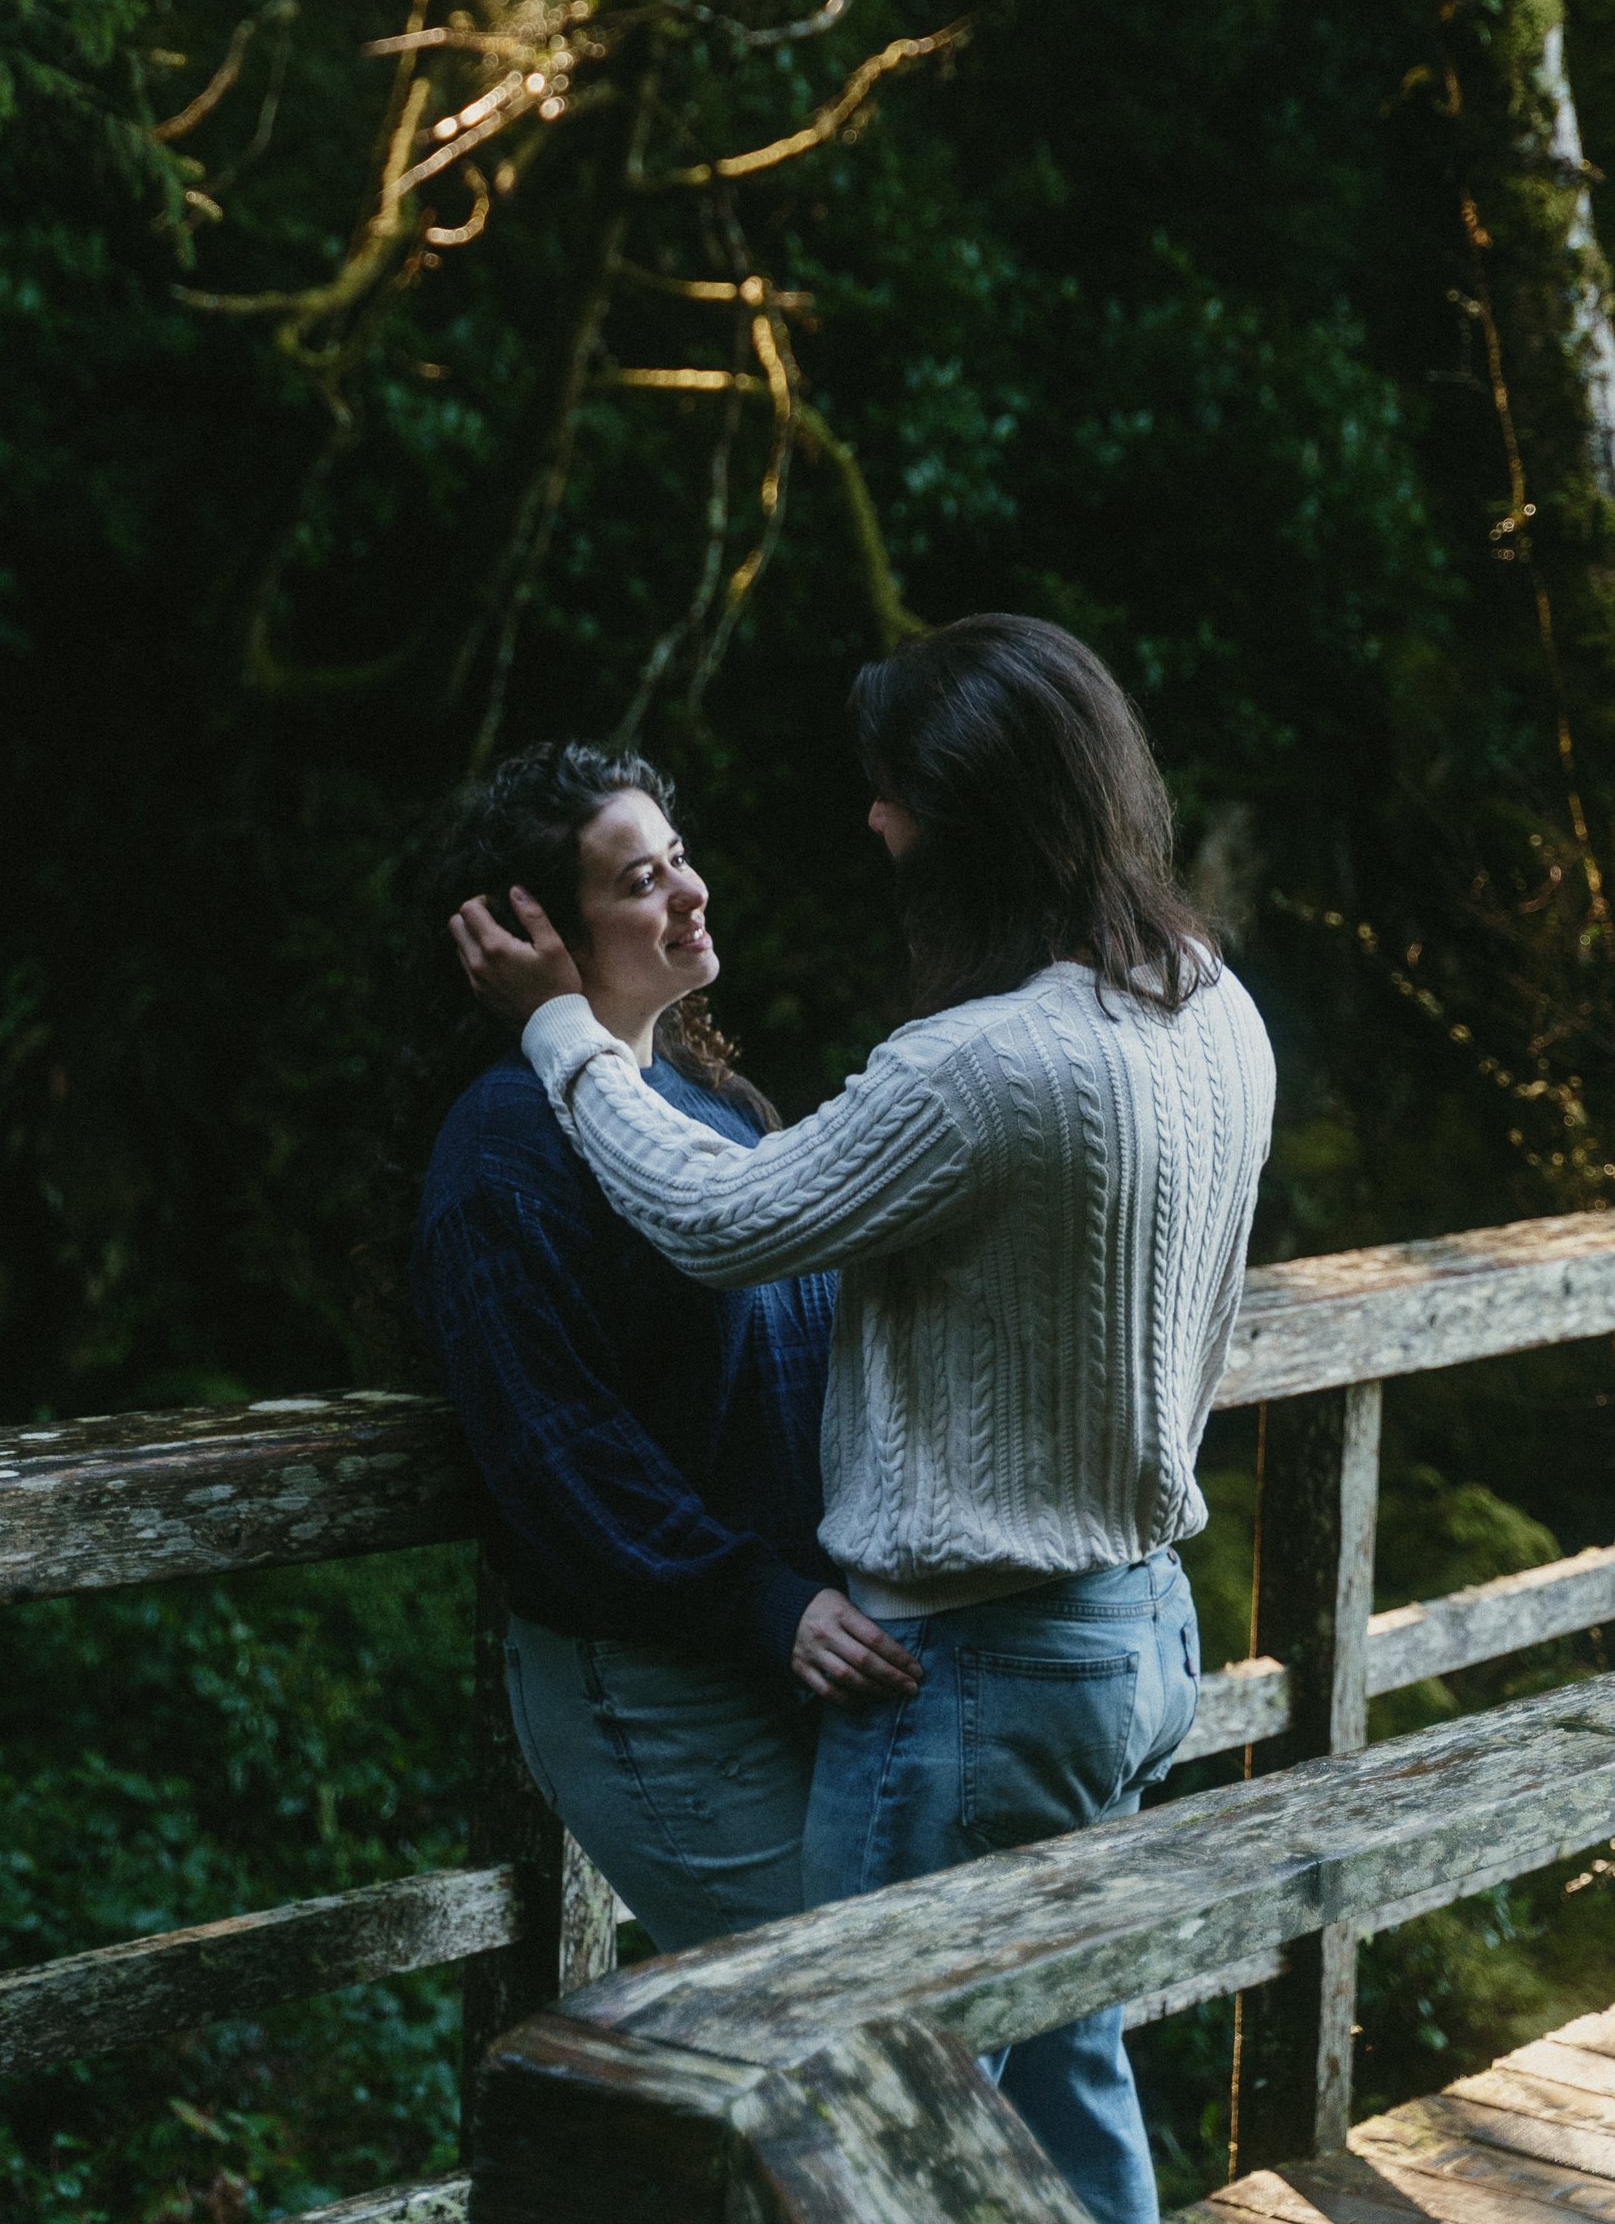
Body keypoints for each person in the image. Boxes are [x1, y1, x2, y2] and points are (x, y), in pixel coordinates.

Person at [450, 620, 1276, 2224]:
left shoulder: (979, 1064)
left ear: (971, 814)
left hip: (977, 1676)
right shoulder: (1214, 1012)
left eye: (895, 794)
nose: (875, 826)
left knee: (880, 2137)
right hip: (1134, 1634)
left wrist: (559, 1029)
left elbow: (718, 1220)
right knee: (1056, 2065)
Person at [410, 741, 920, 1960]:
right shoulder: (501, 1153)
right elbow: (556, 1447)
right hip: (655, 1676)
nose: (689, 890)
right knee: (836, 2013)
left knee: (881, 2013)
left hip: (797, 1647)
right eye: (639, 881)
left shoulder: (711, 1107)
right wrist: (759, 1600)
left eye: (678, 857)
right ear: (539, 930)